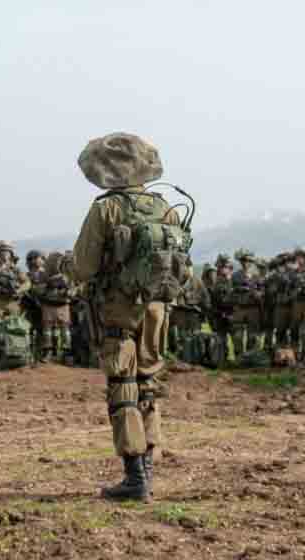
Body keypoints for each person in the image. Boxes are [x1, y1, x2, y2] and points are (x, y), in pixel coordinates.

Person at [73, 132, 192, 502]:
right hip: (158, 310)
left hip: (118, 309)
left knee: (123, 386)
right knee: (149, 384)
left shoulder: (105, 209)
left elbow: (84, 267)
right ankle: (148, 468)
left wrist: (62, 266)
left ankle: (134, 475)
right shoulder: (166, 208)